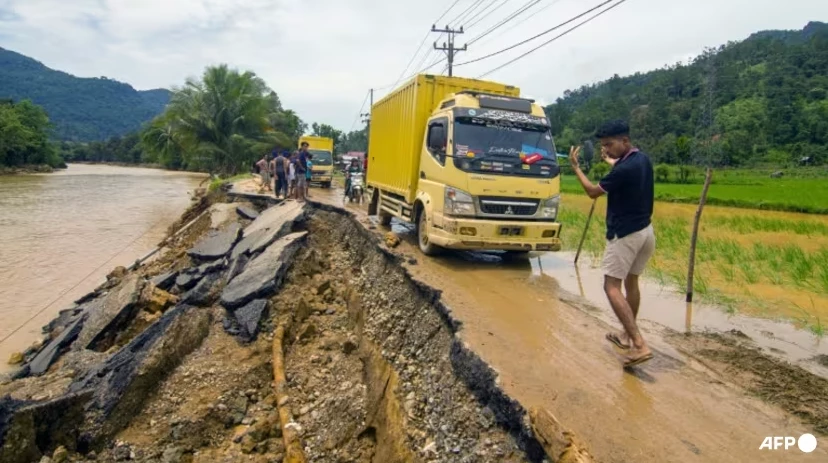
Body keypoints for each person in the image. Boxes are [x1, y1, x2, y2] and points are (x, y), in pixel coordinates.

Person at [568, 119, 655, 368]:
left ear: (625, 141)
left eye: (609, 145)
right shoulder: (641, 160)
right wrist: (612, 162)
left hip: (625, 234)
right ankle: (626, 335)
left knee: (611, 286)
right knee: (631, 282)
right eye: (603, 145)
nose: (606, 149)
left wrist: (576, 168)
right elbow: (623, 168)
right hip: (646, 231)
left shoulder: (622, 170)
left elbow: (593, 191)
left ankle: (639, 344)